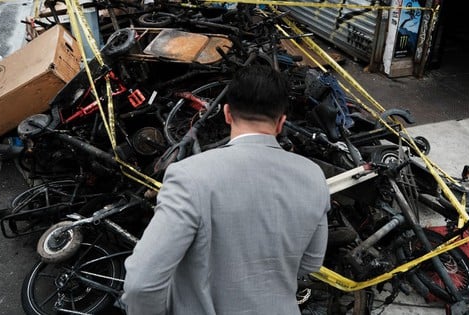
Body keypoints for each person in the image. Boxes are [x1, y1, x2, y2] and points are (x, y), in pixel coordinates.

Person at [121, 65, 330, 315]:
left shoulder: (188, 176)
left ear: (228, 114)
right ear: (281, 122)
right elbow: (311, 262)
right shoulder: (313, 176)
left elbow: (142, 285)